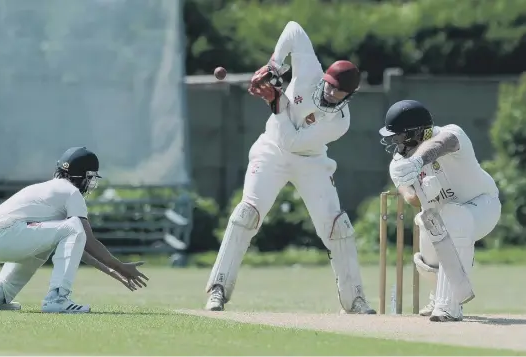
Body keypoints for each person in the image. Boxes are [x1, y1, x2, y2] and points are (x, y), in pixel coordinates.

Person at [204, 21, 376, 314]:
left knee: (338, 226)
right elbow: (294, 30)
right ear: (324, 78)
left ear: (349, 96)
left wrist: (276, 104)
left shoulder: (340, 122)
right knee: (247, 213)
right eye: (330, 88)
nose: (331, 95)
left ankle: (355, 299)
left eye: (339, 94)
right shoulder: (309, 72)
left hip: (310, 159)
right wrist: (273, 65)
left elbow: (295, 142)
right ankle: (218, 289)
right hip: (271, 150)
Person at [0, 147, 149, 313]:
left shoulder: (48, 189)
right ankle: (57, 299)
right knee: (74, 226)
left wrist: (113, 271)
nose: (91, 182)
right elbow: (87, 240)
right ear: (83, 176)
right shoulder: (71, 192)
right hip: (3, 236)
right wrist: (119, 266)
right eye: (91, 177)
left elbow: (78, 247)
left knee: (47, 243)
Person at [379, 99, 501, 322]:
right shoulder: (399, 163)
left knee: (456, 217)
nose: (396, 145)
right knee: (429, 225)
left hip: (483, 207)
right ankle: (438, 295)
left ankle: (448, 306)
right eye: (393, 138)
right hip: (442, 219)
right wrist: (414, 185)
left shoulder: (452, 134)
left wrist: (418, 162)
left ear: (419, 133)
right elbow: (413, 199)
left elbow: (439, 144)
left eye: (400, 137)